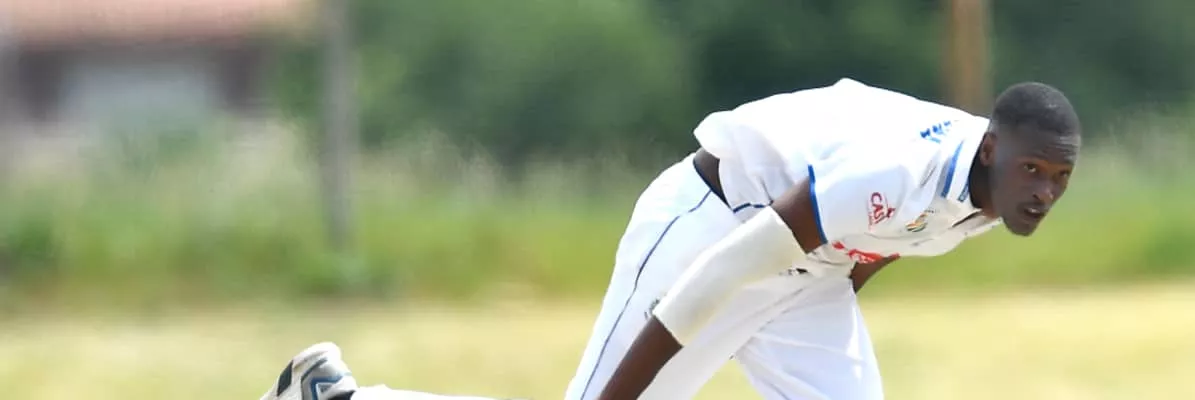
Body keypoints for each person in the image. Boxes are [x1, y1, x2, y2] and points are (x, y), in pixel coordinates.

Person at [259, 77, 1082, 400]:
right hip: (714, 223)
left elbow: (873, 244)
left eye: (1058, 177)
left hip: (803, 267)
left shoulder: (986, 195)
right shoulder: (898, 169)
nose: (1043, 191)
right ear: (989, 149)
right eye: (1032, 170)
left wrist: (827, 297)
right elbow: (727, 268)